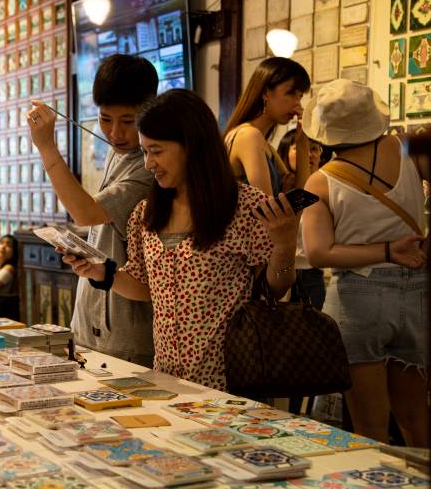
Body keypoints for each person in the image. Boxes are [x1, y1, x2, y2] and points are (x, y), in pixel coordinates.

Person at [62, 89, 300, 391]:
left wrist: (285, 244)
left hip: (230, 381)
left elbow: (275, 289)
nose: (149, 163)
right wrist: (101, 272)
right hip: (167, 380)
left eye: (157, 151)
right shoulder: (146, 214)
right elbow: (146, 286)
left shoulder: (245, 208)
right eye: (145, 151)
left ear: (192, 146)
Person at [302, 79, 428, 446]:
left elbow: (319, 252)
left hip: (357, 298)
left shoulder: (319, 182)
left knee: (369, 430)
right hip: (417, 289)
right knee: (417, 422)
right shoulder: (406, 148)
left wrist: (386, 250)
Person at [26, 54, 157, 367]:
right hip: (93, 323)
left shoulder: (147, 165)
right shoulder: (120, 154)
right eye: (104, 119)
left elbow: (86, 213)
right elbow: (98, 221)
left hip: (126, 334)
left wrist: (46, 147)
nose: (115, 133)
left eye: (128, 121)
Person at [225, 57, 311, 197]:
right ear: (266, 93)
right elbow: (269, 213)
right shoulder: (248, 136)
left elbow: (302, 198)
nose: (298, 104)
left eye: (300, 96)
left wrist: (302, 143)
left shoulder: (266, 146)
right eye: (291, 93)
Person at [277, 129, 327, 309]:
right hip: (280, 272)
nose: (309, 154)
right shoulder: (280, 190)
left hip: (312, 273)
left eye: (315, 149)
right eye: (299, 148)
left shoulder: (326, 187)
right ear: (284, 152)